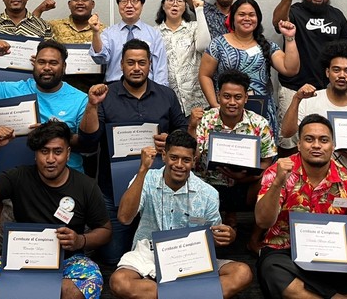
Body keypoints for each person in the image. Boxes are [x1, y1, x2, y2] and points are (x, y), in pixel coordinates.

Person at [255, 114, 347, 299]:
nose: (316, 145)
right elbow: (263, 221)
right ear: (299, 145)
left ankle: (310, 292)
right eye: (309, 139)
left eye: (324, 140)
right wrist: (278, 183)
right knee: (273, 271)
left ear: (333, 146)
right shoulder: (277, 173)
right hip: (286, 252)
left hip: (332, 254)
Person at [0, 120, 111, 299]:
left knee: (84, 286)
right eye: (44, 151)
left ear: (68, 153)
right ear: (35, 154)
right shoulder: (19, 176)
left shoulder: (86, 186)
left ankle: (21, 293)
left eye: (57, 151)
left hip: (68, 260)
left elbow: (105, 230)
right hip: (20, 258)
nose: (50, 159)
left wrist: (80, 240)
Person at [79, 38, 188, 265]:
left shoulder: (166, 95)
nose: (136, 68)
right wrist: (92, 105)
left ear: (150, 64)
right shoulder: (105, 95)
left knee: (165, 256)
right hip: (114, 190)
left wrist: (170, 141)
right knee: (112, 257)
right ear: (121, 64)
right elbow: (89, 141)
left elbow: (183, 131)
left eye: (142, 62)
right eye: (130, 63)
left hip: (159, 189)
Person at [109, 131, 253, 299]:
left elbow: (214, 237)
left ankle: (167, 294)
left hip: (190, 257)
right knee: (119, 282)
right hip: (150, 253)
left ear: (194, 161)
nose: (179, 164)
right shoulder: (146, 179)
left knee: (242, 272)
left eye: (186, 160)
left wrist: (229, 235)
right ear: (164, 156)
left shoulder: (208, 193)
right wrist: (142, 170)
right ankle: (192, 294)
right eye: (174, 157)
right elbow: (124, 218)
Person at [0, 38, 89, 172]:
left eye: (53, 63)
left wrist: (50, 133)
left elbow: (86, 144)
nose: (47, 67)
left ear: (64, 66)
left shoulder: (80, 99)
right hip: (19, 173)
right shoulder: (15, 90)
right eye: (41, 62)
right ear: (34, 64)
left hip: (67, 175)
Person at [279, 39, 347, 197]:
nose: (342, 75)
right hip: (310, 187)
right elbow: (286, 132)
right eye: (336, 70)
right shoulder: (309, 100)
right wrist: (296, 99)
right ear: (327, 72)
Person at [193, 69, 275, 253]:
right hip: (207, 183)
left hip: (244, 184)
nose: (232, 102)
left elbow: (267, 161)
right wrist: (192, 128)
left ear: (246, 98)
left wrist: (246, 177)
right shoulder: (205, 120)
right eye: (226, 96)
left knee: (270, 180)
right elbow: (193, 157)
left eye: (237, 97)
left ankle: (254, 239)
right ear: (218, 96)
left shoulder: (259, 123)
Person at [272, 0, 347, 154]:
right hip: (293, 88)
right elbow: (278, 22)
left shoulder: (337, 16)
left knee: (321, 140)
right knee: (288, 140)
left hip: (326, 91)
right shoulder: (295, 11)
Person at [199, 0, 299, 137]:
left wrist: (290, 38)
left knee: (263, 150)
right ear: (232, 18)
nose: (247, 18)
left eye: (252, 15)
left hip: (262, 114)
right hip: (227, 111)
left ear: (258, 19)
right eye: (242, 14)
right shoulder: (218, 44)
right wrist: (215, 105)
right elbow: (204, 75)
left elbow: (290, 69)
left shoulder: (266, 45)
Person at [89, 0, 168, 85]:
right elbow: (100, 58)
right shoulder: (108, 33)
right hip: (115, 86)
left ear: (142, 4)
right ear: (118, 5)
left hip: (145, 88)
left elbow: (160, 69)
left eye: (134, 1)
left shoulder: (154, 34)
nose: (129, 5)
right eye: (124, 1)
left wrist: (159, 91)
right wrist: (95, 33)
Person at [32, 0, 106, 93]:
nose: (80, 3)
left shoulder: (104, 30)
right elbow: (32, 27)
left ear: (92, 4)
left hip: (93, 88)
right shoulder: (55, 26)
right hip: (60, 88)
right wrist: (40, 10)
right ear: (69, 4)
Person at [155, 0, 210, 114]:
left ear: (185, 6)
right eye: (170, 0)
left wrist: (199, 11)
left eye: (180, 1)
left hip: (195, 99)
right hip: (167, 100)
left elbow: (204, 46)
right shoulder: (154, 33)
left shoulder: (194, 27)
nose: (175, 4)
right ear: (163, 5)